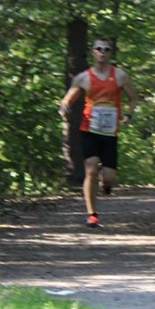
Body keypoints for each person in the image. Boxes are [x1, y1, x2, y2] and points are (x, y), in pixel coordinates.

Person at [58, 38, 139, 228]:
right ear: (93, 52)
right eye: (98, 49)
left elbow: (133, 99)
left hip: (110, 132)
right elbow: (67, 99)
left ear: (111, 53)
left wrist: (128, 114)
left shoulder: (119, 76)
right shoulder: (83, 78)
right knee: (91, 169)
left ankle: (107, 184)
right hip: (90, 129)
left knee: (109, 176)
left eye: (106, 49)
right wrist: (64, 108)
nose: (102, 52)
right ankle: (92, 214)